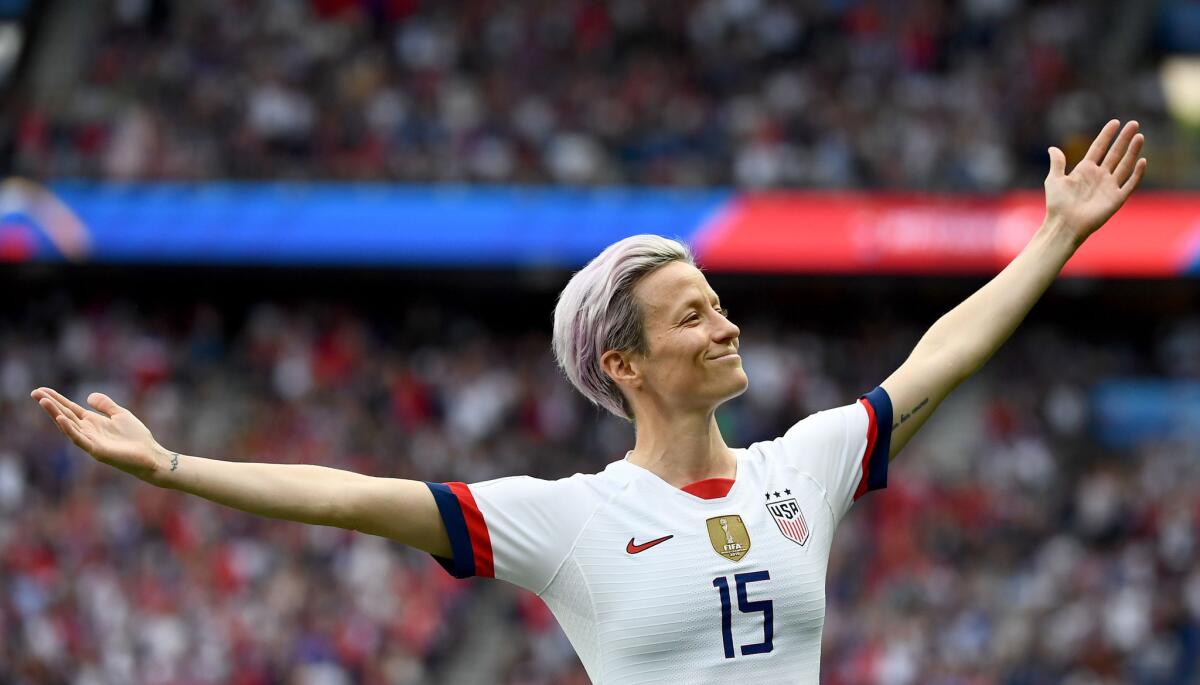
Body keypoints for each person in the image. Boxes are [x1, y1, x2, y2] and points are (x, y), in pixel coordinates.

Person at [32, 120, 1146, 683]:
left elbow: (941, 353)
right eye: (695, 317)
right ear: (626, 363)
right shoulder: (563, 520)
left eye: (720, 303)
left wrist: (1054, 236)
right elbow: (346, 497)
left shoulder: (800, 466)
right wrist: (175, 467)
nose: (728, 326)